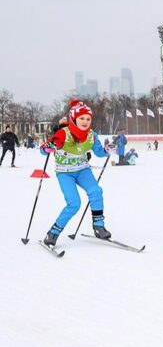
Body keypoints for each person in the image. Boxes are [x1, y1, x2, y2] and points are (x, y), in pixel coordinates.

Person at [39, 100, 113, 246]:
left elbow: (99, 152)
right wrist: (49, 147)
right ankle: (53, 232)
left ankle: (98, 226)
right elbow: (43, 150)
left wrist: (106, 150)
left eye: (88, 119)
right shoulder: (62, 134)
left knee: (96, 191)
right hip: (65, 173)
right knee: (74, 203)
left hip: (82, 170)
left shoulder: (91, 135)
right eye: (82, 118)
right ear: (74, 118)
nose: (85, 121)